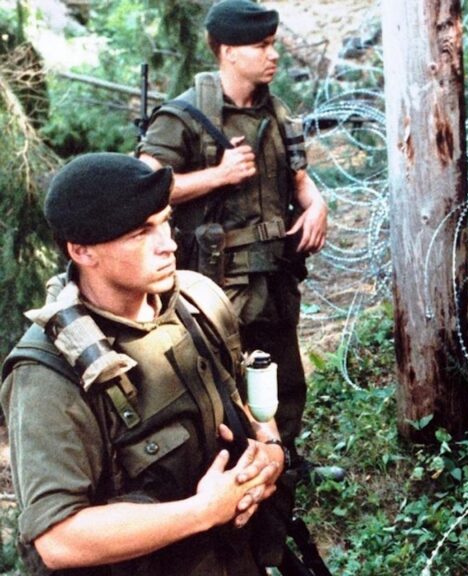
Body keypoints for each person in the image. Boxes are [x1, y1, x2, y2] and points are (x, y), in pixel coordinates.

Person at [1, 153, 287, 574]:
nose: (168, 243)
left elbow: (244, 405)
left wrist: (271, 451)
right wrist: (201, 512)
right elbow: (58, 538)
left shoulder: (200, 300)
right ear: (82, 251)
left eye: (165, 220)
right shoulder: (49, 374)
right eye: (140, 233)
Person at [137, 0, 327, 470]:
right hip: (215, 281)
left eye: (273, 44)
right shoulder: (183, 117)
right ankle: (228, 469)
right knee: (220, 380)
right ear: (226, 51)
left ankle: (286, 460)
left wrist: (318, 204)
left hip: (275, 272)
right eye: (261, 46)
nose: (274, 55)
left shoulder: (276, 112)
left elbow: (301, 180)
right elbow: (144, 190)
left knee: (281, 374)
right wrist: (218, 176)